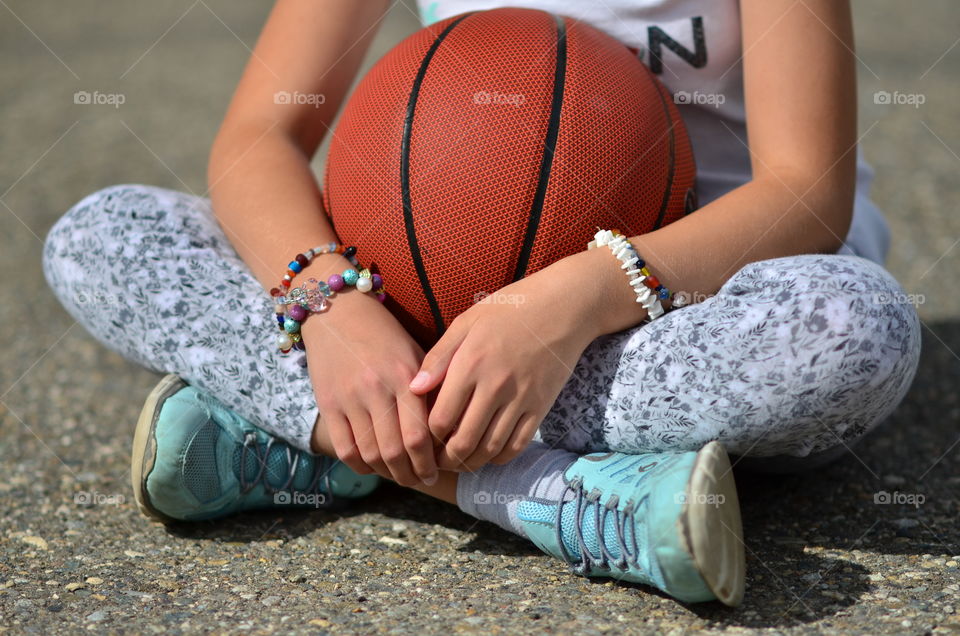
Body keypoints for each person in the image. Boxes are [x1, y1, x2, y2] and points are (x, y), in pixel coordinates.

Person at [42, 0, 921, 607]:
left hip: (682, 313)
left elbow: (806, 194)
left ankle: (334, 439)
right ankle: (544, 491)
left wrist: (565, 306)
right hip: (416, 312)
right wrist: (332, 308)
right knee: (101, 235)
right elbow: (259, 137)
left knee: (852, 327)